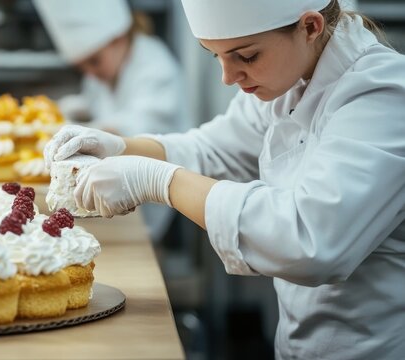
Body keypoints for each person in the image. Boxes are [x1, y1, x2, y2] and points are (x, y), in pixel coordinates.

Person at [44, 0, 405, 358]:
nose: (228, 77)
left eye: (246, 57)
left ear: (310, 27)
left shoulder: (382, 95)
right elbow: (213, 149)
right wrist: (123, 147)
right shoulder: (291, 77)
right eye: (213, 55)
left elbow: (309, 239)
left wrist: (159, 182)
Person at [34, 0, 191, 241]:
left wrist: (91, 133)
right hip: (102, 198)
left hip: (146, 201)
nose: (91, 73)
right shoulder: (106, 66)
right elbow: (94, 102)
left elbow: (138, 129)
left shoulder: (155, 66)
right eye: (82, 67)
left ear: (118, 38)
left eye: (94, 61)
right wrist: (67, 109)